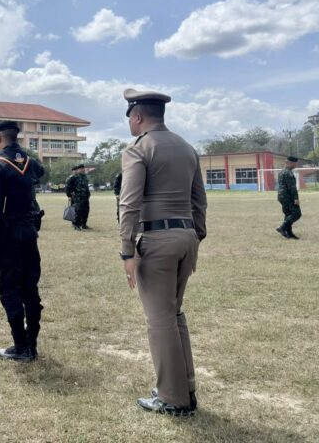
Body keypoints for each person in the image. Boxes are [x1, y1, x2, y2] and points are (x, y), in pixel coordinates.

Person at [118, 88, 207, 417]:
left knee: (159, 321)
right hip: (186, 236)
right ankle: (185, 387)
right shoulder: (186, 147)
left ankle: (173, 398)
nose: (130, 123)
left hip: (157, 239)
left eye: (130, 117)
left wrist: (127, 251)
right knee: (174, 315)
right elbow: (199, 199)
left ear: (138, 116)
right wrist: (196, 235)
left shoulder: (139, 149)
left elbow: (129, 204)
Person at [0, 120, 45, 362]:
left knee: (10, 291)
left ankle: (21, 347)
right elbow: (39, 173)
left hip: (7, 237)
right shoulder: (31, 163)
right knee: (30, 290)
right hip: (29, 234)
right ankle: (32, 344)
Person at [276, 156, 301, 240]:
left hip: (281, 195)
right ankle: (282, 228)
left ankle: (289, 232)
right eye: (295, 164)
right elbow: (292, 188)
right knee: (296, 213)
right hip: (288, 196)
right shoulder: (289, 173)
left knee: (288, 214)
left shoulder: (281, 172)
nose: (295, 165)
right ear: (290, 163)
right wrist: (296, 198)